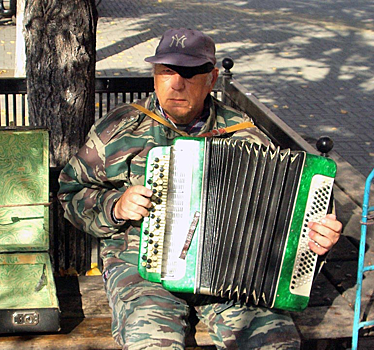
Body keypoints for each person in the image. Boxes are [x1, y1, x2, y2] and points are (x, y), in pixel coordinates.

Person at [58, 28, 342, 349]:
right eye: (167, 71)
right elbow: (70, 192)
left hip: (234, 280)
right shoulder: (120, 128)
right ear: (154, 76)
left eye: (191, 73)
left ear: (212, 78)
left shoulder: (243, 134)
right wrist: (115, 205)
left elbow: (296, 214)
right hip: (143, 274)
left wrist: (319, 237)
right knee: (151, 343)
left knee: (277, 343)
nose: (177, 84)